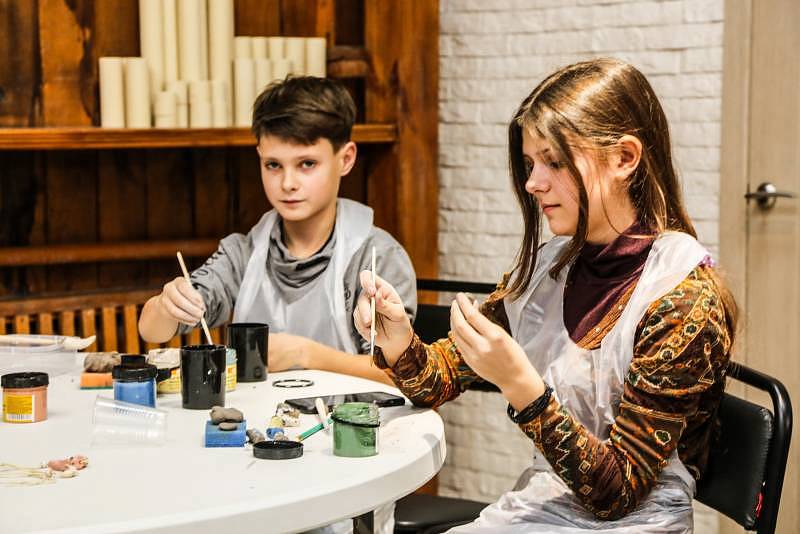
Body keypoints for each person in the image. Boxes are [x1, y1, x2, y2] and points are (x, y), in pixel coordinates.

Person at [354, 58, 735, 533]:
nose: (533, 183)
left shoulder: (682, 299)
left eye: (554, 162)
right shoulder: (547, 271)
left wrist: (521, 386)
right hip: (548, 505)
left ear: (624, 158)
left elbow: (617, 494)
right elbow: (434, 382)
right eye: (531, 163)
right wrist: (396, 338)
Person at [139, 77, 418, 533]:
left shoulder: (375, 258)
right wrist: (167, 305)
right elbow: (152, 331)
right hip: (249, 459)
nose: (288, 183)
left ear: (345, 158)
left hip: (345, 464)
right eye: (273, 165)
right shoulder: (244, 252)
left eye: (306, 164)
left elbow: (404, 376)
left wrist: (306, 354)